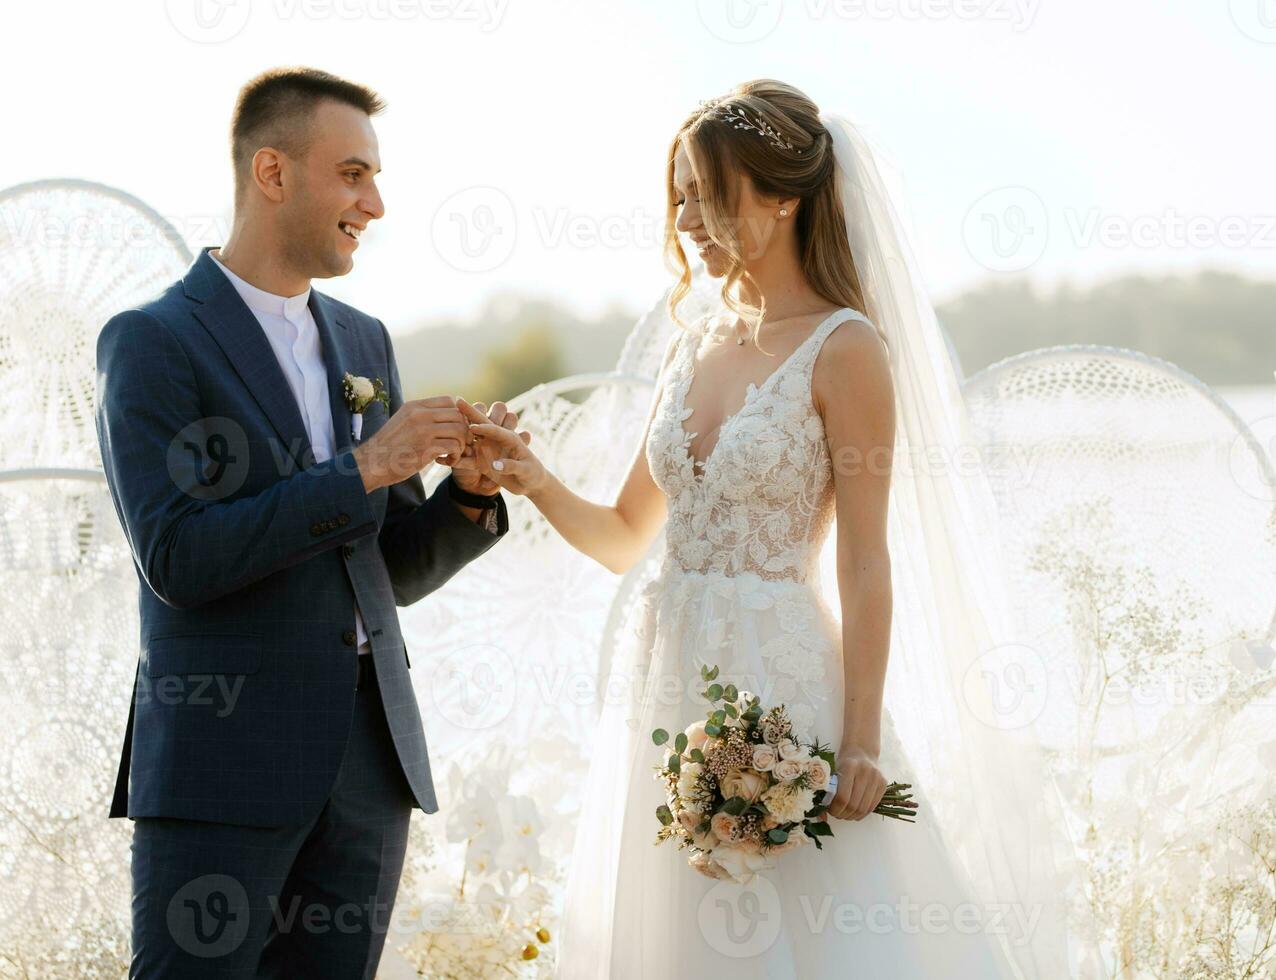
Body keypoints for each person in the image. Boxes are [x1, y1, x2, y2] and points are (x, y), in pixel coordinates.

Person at [468, 80, 1089, 978]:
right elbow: (620, 536)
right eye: (677, 196)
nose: (686, 218)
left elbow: (867, 562)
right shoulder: (694, 346)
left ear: (785, 195)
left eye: (706, 195)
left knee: (808, 928)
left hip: (782, 685)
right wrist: (532, 478)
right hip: (666, 688)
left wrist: (862, 741)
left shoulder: (846, 349)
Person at [94, 66, 517, 978]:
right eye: (354, 174)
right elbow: (179, 556)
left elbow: (385, 570)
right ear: (273, 173)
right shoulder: (154, 342)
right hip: (223, 764)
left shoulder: (365, 342)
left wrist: (469, 496)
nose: (377, 202)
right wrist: (366, 465)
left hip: (370, 768)